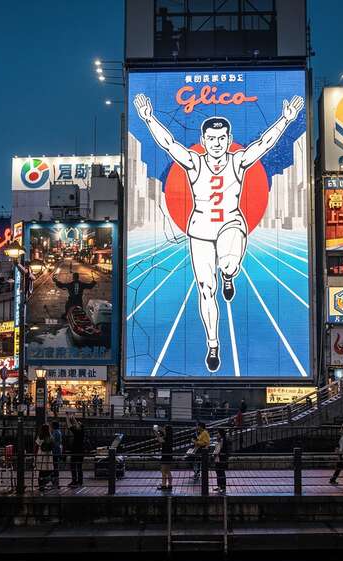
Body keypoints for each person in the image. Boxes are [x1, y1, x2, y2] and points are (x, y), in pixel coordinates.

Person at [132, 89, 304, 372]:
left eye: (221, 138)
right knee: (205, 290)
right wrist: (148, 118)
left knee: (228, 261)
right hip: (200, 230)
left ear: (228, 139)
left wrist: (285, 120)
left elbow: (264, 144)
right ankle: (213, 344)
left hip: (231, 224)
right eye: (210, 138)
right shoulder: (194, 162)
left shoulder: (237, 161)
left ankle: (228, 273)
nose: (216, 143)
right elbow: (168, 144)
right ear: (203, 141)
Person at [67, 417, 86, 488]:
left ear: (79, 427)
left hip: (75, 451)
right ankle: (80, 481)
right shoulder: (81, 432)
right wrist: (73, 418)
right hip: (81, 451)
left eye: (78, 424)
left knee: (73, 466)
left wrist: (69, 417)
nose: (77, 424)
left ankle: (74, 480)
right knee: (79, 467)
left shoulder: (77, 432)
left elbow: (70, 426)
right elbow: (75, 425)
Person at [34, 424, 55, 490]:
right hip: (48, 455)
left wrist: (34, 455)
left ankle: (41, 485)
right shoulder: (50, 436)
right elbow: (53, 445)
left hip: (41, 454)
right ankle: (45, 483)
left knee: (41, 470)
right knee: (48, 469)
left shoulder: (40, 436)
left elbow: (36, 446)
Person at [213, 428, 232, 493]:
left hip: (221, 458)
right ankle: (219, 486)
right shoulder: (220, 439)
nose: (217, 434)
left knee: (221, 472)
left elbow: (221, 449)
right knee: (218, 472)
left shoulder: (223, 440)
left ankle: (223, 487)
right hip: (218, 457)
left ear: (221, 433)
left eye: (218, 432)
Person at [158, 424, 174, 492]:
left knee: (163, 471)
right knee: (168, 471)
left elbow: (160, 440)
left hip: (165, 455)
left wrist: (157, 433)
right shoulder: (170, 437)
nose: (163, 430)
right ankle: (170, 485)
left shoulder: (166, 438)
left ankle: (163, 485)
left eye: (164, 429)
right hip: (169, 455)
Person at [50, 420, 64, 487]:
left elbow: (52, 441)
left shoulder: (55, 432)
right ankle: (56, 479)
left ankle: (54, 480)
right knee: (56, 465)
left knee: (54, 465)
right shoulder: (59, 431)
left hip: (54, 450)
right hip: (58, 450)